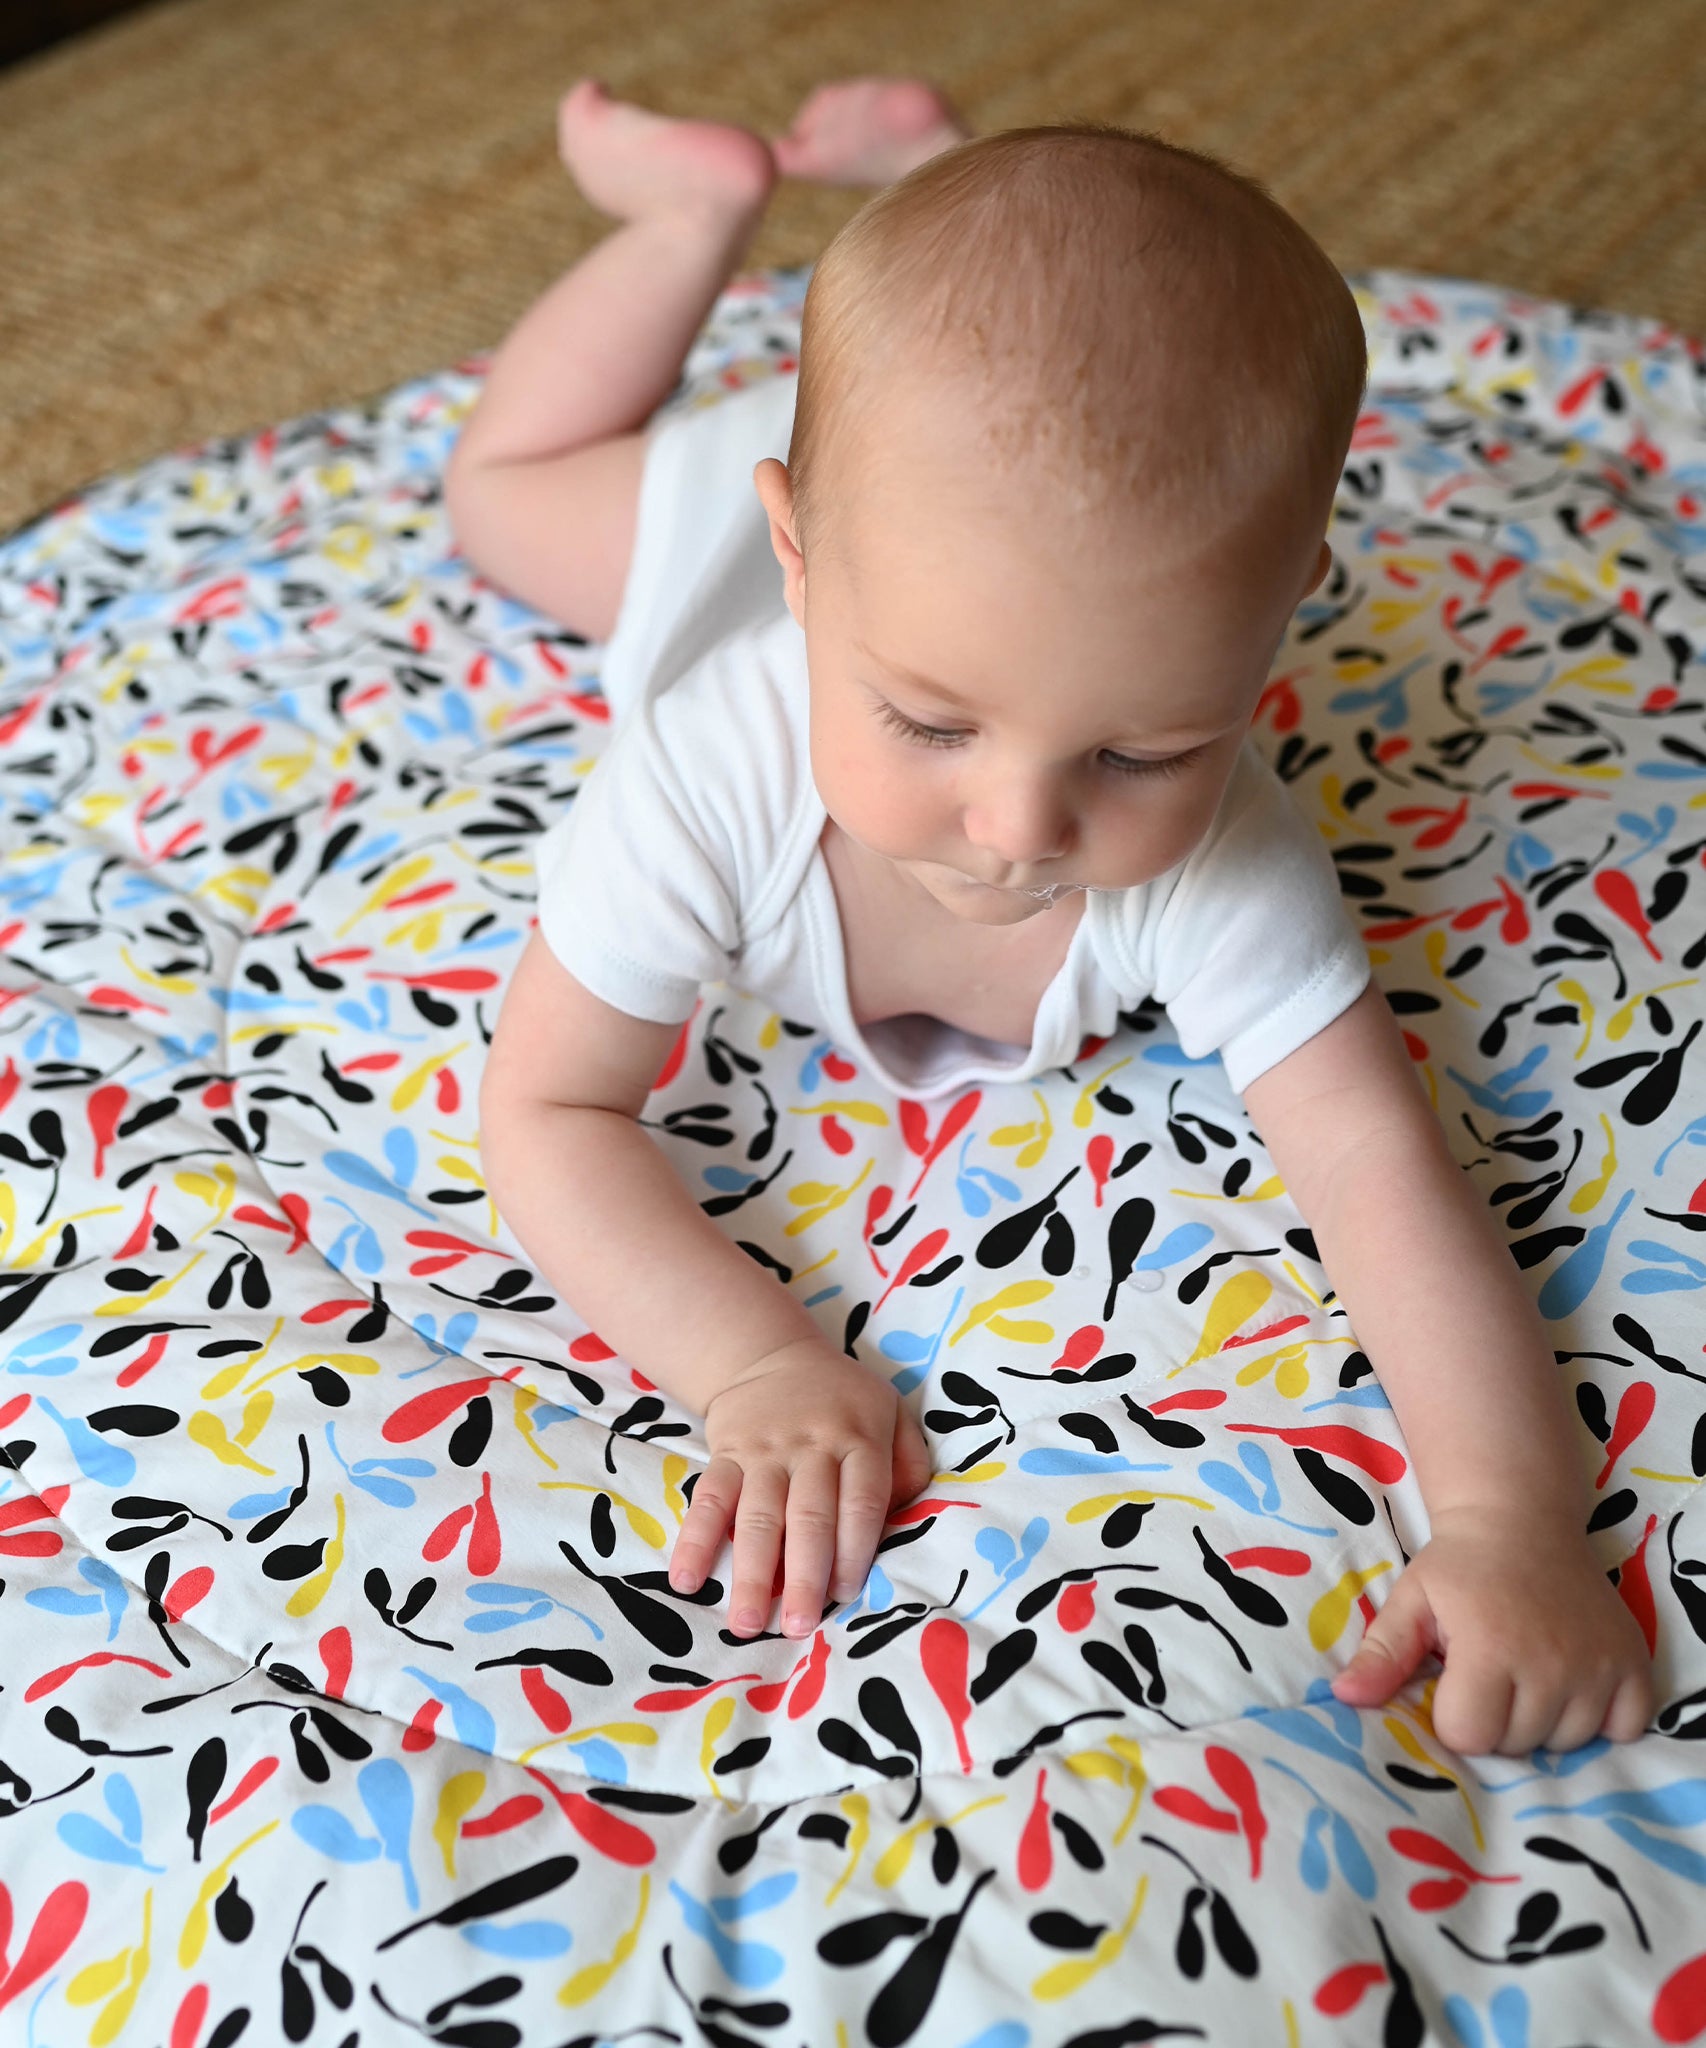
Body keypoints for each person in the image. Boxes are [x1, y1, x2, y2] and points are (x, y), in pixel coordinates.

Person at [448, 77, 1654, 1758]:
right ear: (800, 558)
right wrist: (752, 1368)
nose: (1020, 829)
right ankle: (685, 217)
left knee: (1057, 321)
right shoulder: (702, 769)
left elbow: (1377, 1170)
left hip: (971, 509)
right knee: (501, 492)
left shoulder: (1224, 848)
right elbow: (546, 1103)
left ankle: (953, 193)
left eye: (1141, 746)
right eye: (927, 726)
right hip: (691, 545)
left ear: (1274, 629)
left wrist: (1509, 1517)